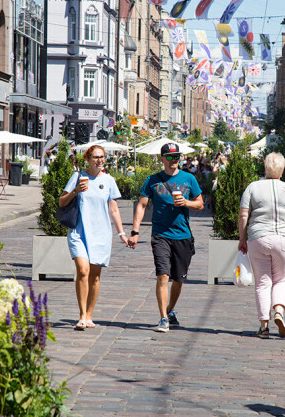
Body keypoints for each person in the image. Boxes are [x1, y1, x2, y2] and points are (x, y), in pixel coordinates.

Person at [128, 143, 204, 333]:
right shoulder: (152, 180)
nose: (173, 160)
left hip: (183, 235)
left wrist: (186, 202)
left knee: (178, 279)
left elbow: (200, 204)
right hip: (160, 235)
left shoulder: (189, 179)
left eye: (176, 156)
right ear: (161, 159)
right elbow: (141, 205)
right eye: (169, 157)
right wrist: (135, 232)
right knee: (163, 275)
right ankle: (163, 318)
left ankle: (170, 310)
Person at [59, 145, 129, 330]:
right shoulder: (77, 177)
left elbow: (113, 209)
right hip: (79, 232)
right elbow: (62, 201)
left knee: (95, 277)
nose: (99, 160)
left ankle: (89, 315)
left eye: (102, 157)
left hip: (100, 234)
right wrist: (76, 191)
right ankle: (82, 315)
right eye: (96, 157)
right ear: (87, 159)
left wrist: (122, 233)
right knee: (83, 270)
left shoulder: (109, 180)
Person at [238, 152, 285, 338]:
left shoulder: (253, 187)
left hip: (258, 238)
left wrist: (242, 239)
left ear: (265, 168)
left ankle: (263, 326)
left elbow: (243, 215)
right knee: (281, 280)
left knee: (262, 282)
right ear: (282, 170)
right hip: (284, 239)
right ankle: (279, 312)